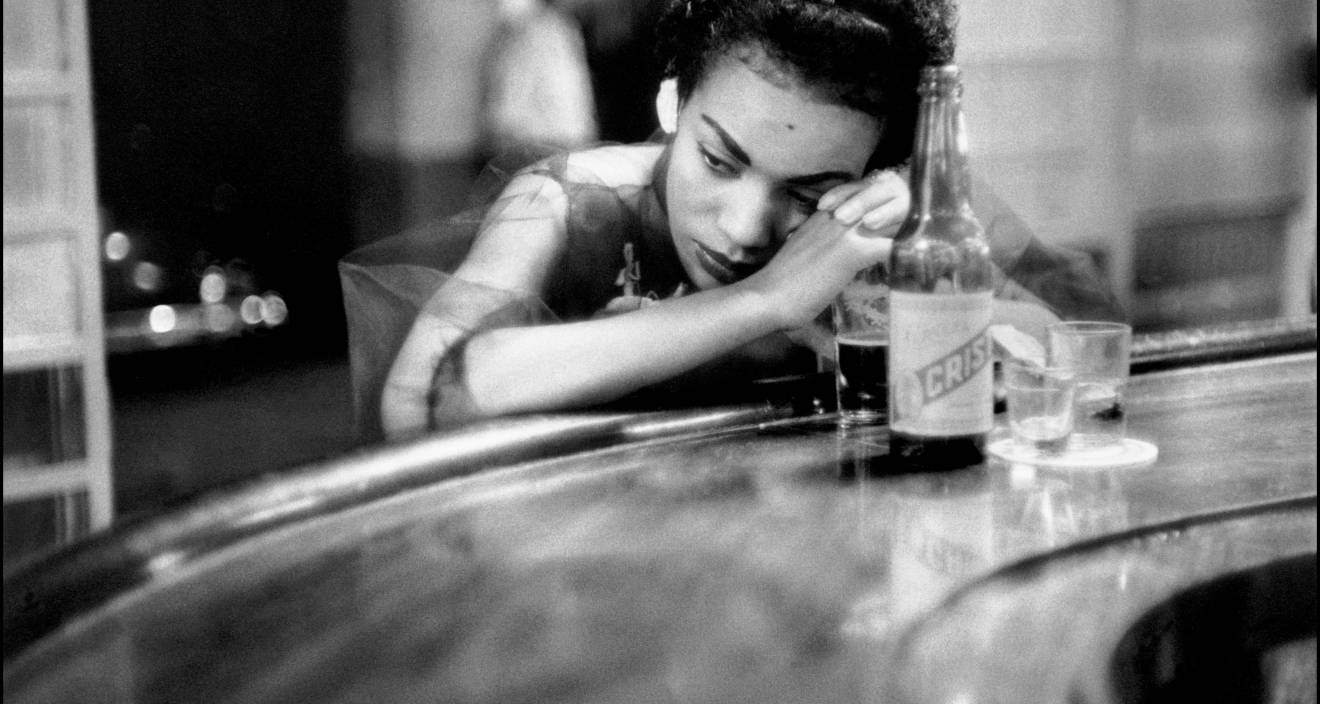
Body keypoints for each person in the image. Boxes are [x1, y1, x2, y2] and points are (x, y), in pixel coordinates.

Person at [341, 0, 1123, 441]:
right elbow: (420, 403)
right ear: (676, 104)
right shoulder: (567, 200)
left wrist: (929, 288)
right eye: (718, 160)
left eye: (810, 192)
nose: (746, 227)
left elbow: (1079, 352)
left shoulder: (894, 217)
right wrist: (764, 303)